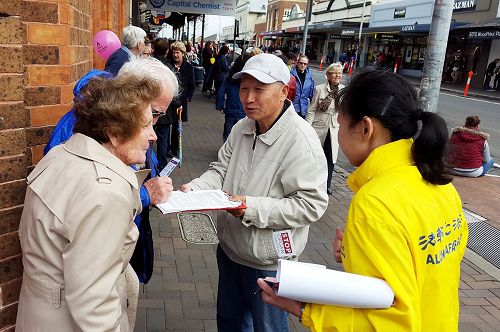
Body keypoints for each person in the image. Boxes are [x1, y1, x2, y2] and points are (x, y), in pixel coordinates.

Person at [258, 70, 468, 331]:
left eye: (340, 123)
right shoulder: (438, 181)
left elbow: (391, 323)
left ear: (365, 128)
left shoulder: (375, 202)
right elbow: (422, 264)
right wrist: (352, 251)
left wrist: (305, 310)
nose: (338, 133)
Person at [180, 53, 329, 332]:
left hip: (268, 262)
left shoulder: (301, 141)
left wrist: (250, 207)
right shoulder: (242, 128)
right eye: (244, 89)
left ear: (284, 91)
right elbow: (220, 169)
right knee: (230, 322)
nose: (248, 98)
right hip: (230, 248)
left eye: (259, 90)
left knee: (268, 327)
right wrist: (195, 189)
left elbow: (311, 205)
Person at [16, 74, 163, 331]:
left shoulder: (61, 155)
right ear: (115, 133)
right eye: (146, 126)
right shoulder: (104, 192)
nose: (154, 136)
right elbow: (93, 304)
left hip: (37, 313)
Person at [44, 57, 179, 285]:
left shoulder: (125, 125)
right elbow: (82, 199)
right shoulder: (82, 128)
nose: (154, 129)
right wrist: (145, 194)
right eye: (153, 114)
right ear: (132, 95)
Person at [306, 63, 344, 195]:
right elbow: (311, 110)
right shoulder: (319, 89)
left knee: (330, 158)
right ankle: (311, 183)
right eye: (334, 73)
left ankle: (327, 185)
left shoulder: (343, 91)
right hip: (319, 126)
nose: (337, 75)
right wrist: (307, 128)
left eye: (339, 73)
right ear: (328, 75)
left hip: (334, 128)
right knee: (315, 157)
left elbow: (344, 113)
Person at [166, 41, 195, 160]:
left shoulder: (188, 67)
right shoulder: (169, 65)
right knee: (167, 125)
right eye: (174, 53)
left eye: (177, 53)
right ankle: (167, 149)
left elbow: (192, 84)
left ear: (182, 53)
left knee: (177, 126)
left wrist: (187, 97)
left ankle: (175, 149)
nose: (175, 55)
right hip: (169, 101)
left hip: (181, 102)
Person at [216, 54, 250, 141]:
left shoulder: (229, 79)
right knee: (242, 135)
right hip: (244, 111)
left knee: (228, 134)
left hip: (230, 110)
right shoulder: (249, 80)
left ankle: (227, 152)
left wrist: (220, 106)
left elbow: (220, 93)